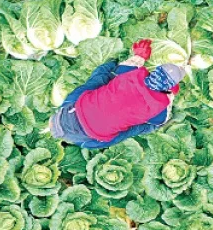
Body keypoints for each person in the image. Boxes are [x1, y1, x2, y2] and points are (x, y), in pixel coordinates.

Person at [49, 40, 186, 149]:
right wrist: (170, 95)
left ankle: (110, 64)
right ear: (170, 88)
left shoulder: (130, 74)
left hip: (78, 109)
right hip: (90, 132)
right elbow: (163, 118)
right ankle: (63, 130)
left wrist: (140, 55)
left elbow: (131, 63)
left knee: (100, 78)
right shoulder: (158, 109)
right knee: (138, 128)